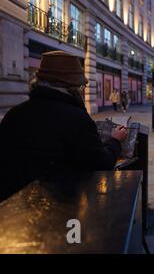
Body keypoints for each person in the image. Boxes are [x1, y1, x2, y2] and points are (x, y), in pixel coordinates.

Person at [0, 51, 128, 202]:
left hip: (12, 205)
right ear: (71, 86)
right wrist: (115, 141)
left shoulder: (14, 114)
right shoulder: (77, 118)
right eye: (81, 86)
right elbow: (101, 162)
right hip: (58, 206)